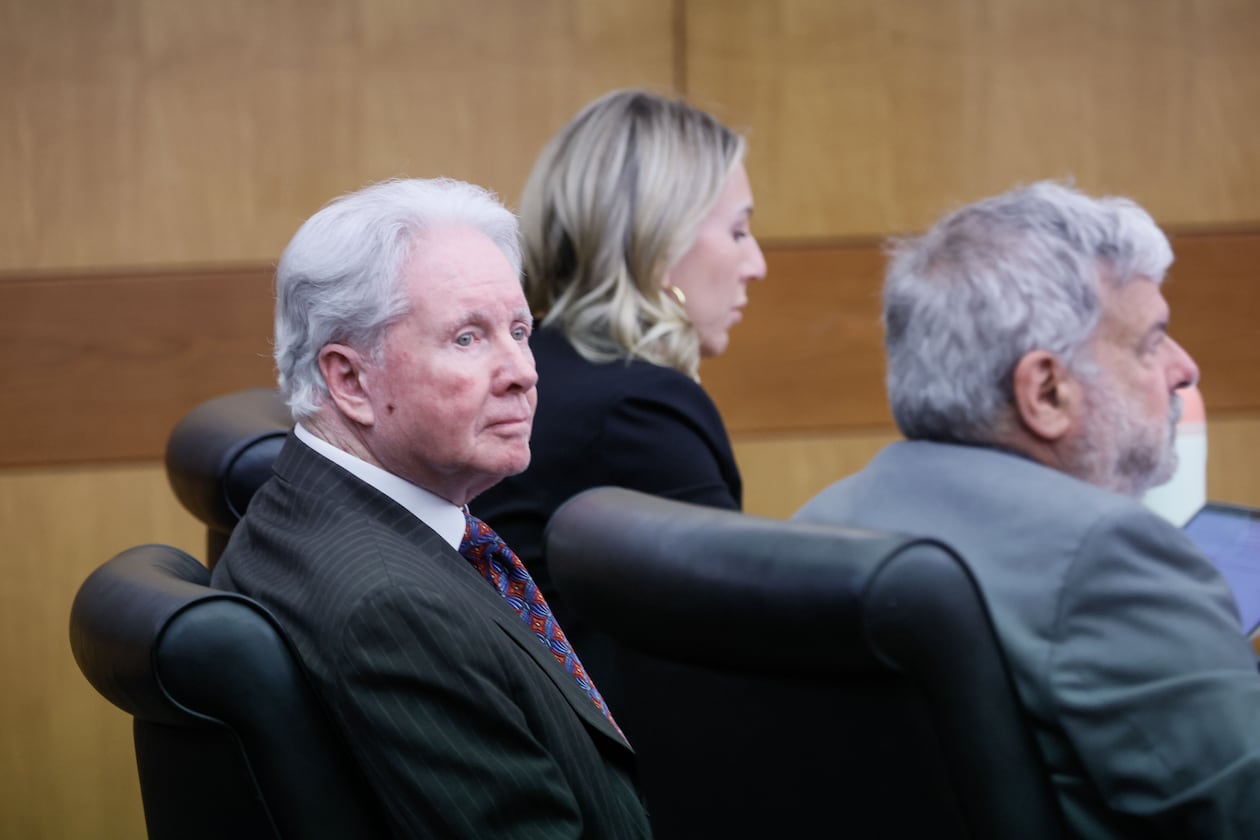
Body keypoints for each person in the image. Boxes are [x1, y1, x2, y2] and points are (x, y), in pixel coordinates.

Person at [793, 181, 1260, 836]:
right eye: (1152, 342)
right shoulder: (1112, 558)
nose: (1185, 369)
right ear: (1045, 391)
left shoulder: (815, 522)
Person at [210, 178, 652, 838]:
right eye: (468, 339)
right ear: (350, 380)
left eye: (519, 330)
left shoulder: (305, 509)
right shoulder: (392, 609)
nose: (523, 372)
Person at [471, 89, 767, 659]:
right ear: (660, 240)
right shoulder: (639, 413)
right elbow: (739, 652)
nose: (756, 265)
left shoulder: (540, 366)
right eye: (738, 231)